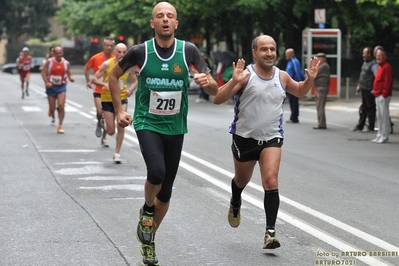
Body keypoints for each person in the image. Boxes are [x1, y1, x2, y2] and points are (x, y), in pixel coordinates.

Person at [108, 2, 218, 265]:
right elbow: (113, 77)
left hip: (176, 128)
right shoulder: (140, 51)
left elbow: (214, 90)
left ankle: (149, 242)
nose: (166, 20)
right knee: (156, 173)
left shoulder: (188, 50)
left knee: (165, 193)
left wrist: (208, 82)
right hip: (148, 123)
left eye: (170, 16)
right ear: (153, 23)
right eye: (160, 16)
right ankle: (146, 211)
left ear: (176, 24)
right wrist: (119, 110)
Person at [213, 35, 319, 249]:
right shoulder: (245, 76)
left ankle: (270, 232)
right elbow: (217, 98)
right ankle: (235, 200)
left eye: (272, 49)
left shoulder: (282, 76)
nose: (269, 53)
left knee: (270, 181)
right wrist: (233, 80)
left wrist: (310, 79)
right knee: (241, 180)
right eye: (264, 49)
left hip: (272, 137)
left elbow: (299, 91)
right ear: (255, 52)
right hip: (244, 138)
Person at [91, 43, 138, 163]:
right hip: (107, 99)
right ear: (114, 52)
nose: (121, 54)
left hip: (122, 98)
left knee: (121, 125)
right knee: (111, 130)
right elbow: (94, 79)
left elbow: (134, 81)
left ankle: (117, 153)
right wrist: (105, 84)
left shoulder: (129, 65)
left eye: (124, 52)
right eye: (119, 52)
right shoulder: (107, 64)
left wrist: (130, 90)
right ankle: (104, 124)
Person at [84, 37, 115, 146]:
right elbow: (86, 68)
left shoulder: (114, 59)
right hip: (98, 89)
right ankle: (98, 122)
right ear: (103, 46)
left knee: (107, 117)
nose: (109, 47)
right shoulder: (96, 58)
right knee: (100, 112)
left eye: (111, 46)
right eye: (107, 45)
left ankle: (104, 136)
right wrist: (88, 81)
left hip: (109, 92)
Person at [41, 46, 75, 134]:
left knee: (61, 106)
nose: (59, 55)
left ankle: (60, 125)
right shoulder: (49, 62)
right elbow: (43, 72)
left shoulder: (66, 63)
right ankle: (51, 111)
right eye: (57, 53)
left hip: (61, 86)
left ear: (62, 53)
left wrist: (71, 78)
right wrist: (47, 82)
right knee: (52, 109)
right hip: (51, 87)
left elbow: (69, 73)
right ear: (54, 54)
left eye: (60, 53)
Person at [352, 47, 378, 132]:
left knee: (370, 108)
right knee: (364, 107)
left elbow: (376, 76)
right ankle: (360, 125)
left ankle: (370, 126)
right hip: (364, 88)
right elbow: (363, 75)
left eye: (364, 53)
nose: (363, 55)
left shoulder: (373, 64)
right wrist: (359, 85)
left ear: (369, 54)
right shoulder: (365, 62)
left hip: (369, 89)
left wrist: (373, 88)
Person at [372, 48, 393, 143]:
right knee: (379, 116)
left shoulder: (386, 67)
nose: (378, 58)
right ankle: (380, 134)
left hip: (382, 95)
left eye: (380, 56)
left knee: (384, 116)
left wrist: (384, 93)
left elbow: (387, 82)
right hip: (378, 94)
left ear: (384, 57)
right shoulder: (380, 66)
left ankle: (384, 136)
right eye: (377, 56)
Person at [285, 48, 305, 123]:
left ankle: (294, 117)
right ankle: (293, 116)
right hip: (290, 84)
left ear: (292, 54)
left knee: (294, 101)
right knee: (292, 100)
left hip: (294, 84)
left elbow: (298, 72)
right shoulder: (290, 61)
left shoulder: (294, 61)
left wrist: (300, 82)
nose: (286, 55)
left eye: (287, 54)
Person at [313, 53, 330, 129]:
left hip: (321, 88)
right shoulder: (322, 66)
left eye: (318, 58)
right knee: (319, 106)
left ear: (322, 58)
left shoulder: (323, 66)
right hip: (320, 87)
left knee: (320, 106)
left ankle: (321, 124)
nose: (317, 60)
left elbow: (314, 74)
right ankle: (321, 122)